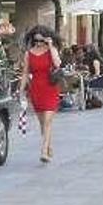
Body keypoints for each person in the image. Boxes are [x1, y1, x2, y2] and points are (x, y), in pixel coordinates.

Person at [19, 26, 62, 163]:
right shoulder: (29, 54)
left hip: (50, 88)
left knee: (48, 121)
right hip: (36, 89)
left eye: (41, 40)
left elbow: (57, 63)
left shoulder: (51, 50)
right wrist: (21, 90)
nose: (38, 43)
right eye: (35, 40)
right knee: (42, 123)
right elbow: (25, 73)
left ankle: (44, 151)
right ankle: (48, 146)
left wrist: (50, 46)